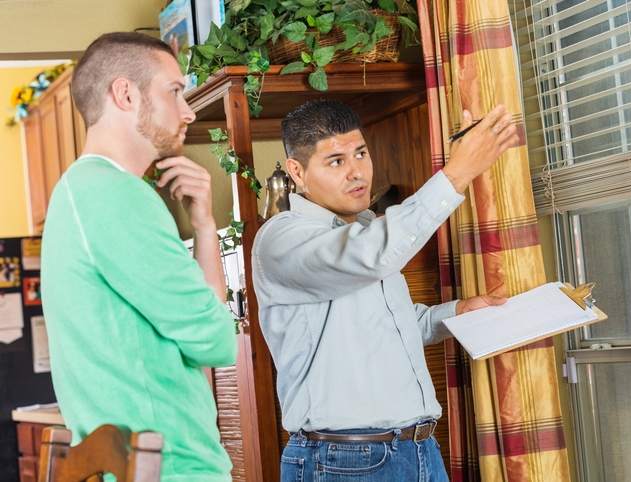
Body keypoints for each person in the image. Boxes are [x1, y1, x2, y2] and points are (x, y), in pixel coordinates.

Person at [252, 99, 518, 481]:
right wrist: (457, 173)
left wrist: (455, 314)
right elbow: (372, 256)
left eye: (360, 153)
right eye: (336, 161)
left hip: (420, 448)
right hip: (344, 459)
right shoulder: (282, 240)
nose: (356, 172)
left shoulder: (363, 231)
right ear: (297, 171)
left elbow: (391, 325)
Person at [41, 32, 237, 482]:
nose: (187, 110)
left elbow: (208, 332)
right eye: (174, 91)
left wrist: (204, 227)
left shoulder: (81, 190)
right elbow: (217, 342)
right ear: (125, 94)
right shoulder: (115, 195)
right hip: (172, 468)